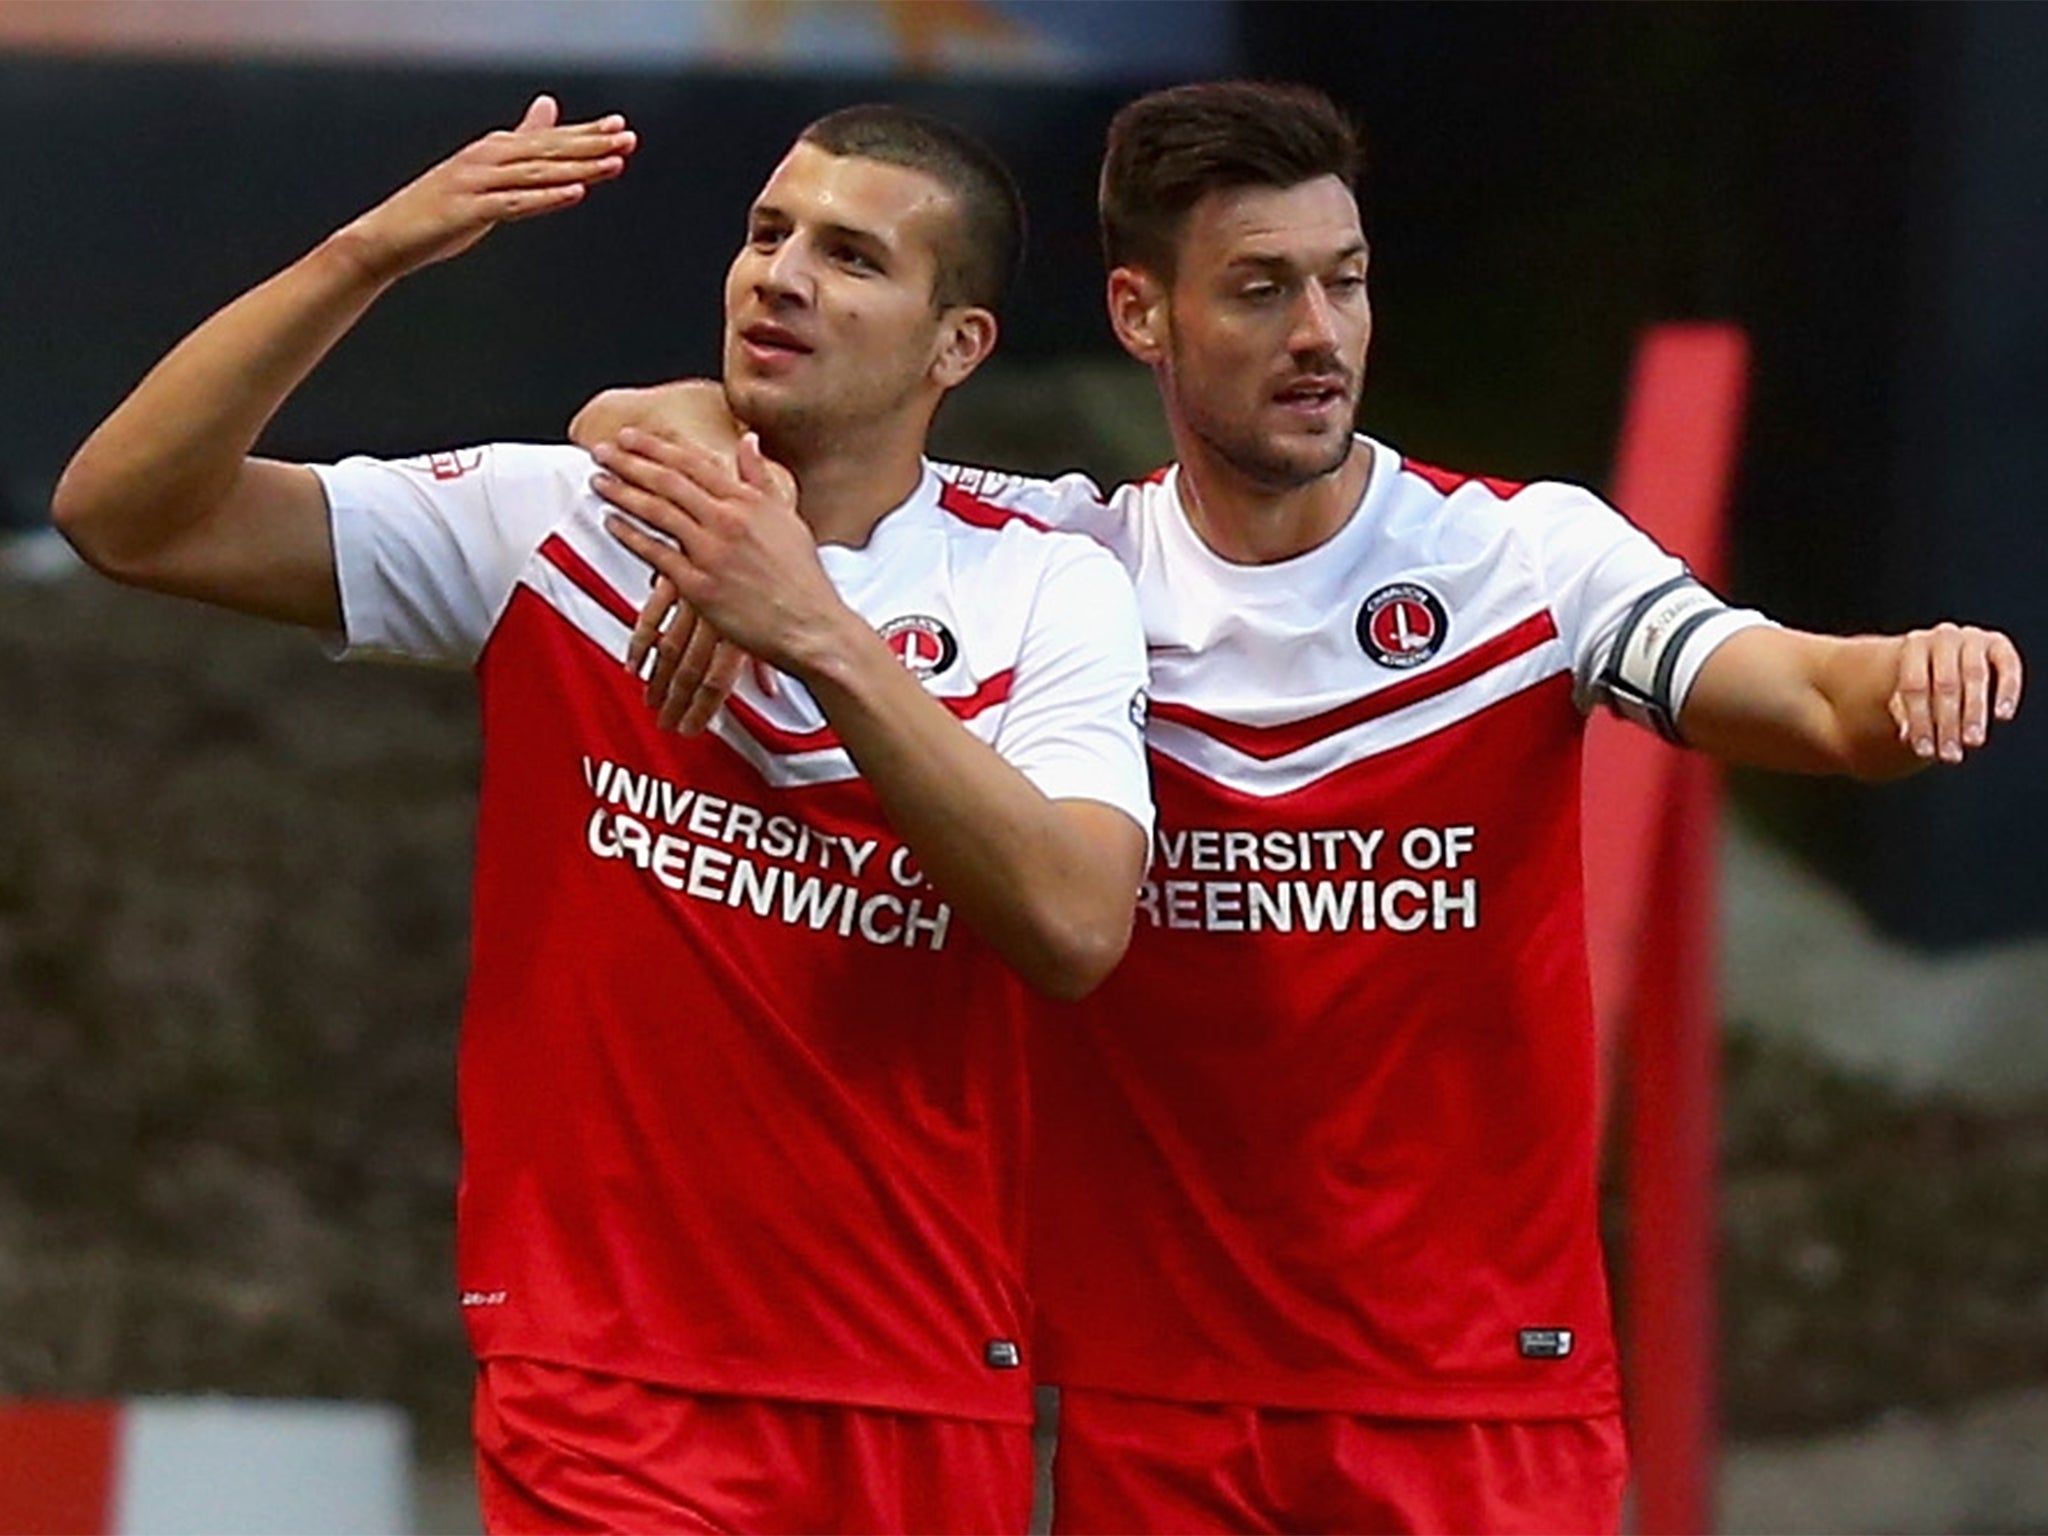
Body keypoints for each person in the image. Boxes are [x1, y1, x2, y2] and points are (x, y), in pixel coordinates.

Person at [582, 78, 2027, 1535]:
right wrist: (725, 464)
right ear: (1143, 318)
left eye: (1345, 284)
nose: (1321, 337)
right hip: (1161, 1408)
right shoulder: (1057, 570)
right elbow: (674, 415)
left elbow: (1808, 698)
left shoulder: (1524, 561)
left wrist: (1908, 678)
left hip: (1476, 1407)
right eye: (1262, 291)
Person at [51, 95, 1155, 1533]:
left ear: (960, 345)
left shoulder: (1044, 579)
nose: (783, 276)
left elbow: (1075, 924)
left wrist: (808, 624)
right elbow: (126, 513)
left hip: (921, 1372)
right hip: (606, 1377)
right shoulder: (567, 518)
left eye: (852, 255)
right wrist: (365, 255)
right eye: (767, 235)